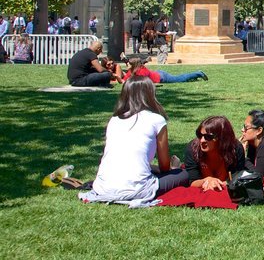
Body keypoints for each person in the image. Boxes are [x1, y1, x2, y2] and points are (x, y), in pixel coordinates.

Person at [79, 76, 189, 206]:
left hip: (102, 187)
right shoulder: (157, 120)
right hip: (137, 190)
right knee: (183, 174)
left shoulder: (114, 119)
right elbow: (164, 166)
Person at [183, 116, 252, 192]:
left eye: (208, 137)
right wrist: (207, 180)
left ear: (222, 138)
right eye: (199, 135)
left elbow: (237, 177)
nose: (202, 140)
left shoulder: (235, 148)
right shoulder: (193, 148)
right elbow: (192, 182)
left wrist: (220, 184)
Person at [125, 57, 207, 84]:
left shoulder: (142, 71)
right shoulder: (132, 71)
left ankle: (198, 73)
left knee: (179, 79)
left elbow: (144, 81)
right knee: (179, 78)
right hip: (158, 73)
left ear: (133, 65)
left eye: (128, 64)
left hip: (162, 77)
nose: (127, 65)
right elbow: (124, 80)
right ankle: (194, 77)